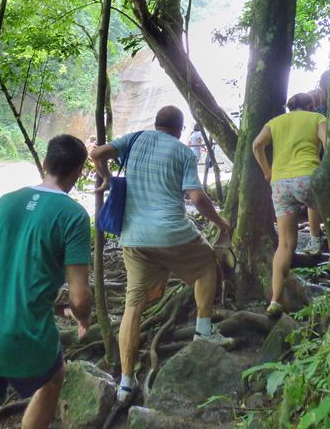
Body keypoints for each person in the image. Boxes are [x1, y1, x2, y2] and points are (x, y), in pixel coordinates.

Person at [90, 106, 232, 406]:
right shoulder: (183, 152)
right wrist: (220, 222)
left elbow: (96, 153)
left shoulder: (134, 139)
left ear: (156, 124)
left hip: (133, 237)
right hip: (171, 233)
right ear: (180, 130)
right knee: (207, 265)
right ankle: (203, 331)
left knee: (133, 306)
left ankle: (126, 383)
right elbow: (196, 196)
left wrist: (106, 179)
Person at [0, 135, 93, 429]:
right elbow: (80, 297)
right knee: (54, 377)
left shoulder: (6, 201)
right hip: (26, 336)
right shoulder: (74, 215)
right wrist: (82, 318)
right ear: (79, 172)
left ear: (45, 163)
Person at [252, 93, 327, 318]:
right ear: (310, 105)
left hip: (280, 183)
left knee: (285, 244)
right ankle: (318, 242)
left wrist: (267, 172)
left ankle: (275, 300)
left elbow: (257, 145)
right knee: (328, 214)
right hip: (308, 177)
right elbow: (327, 142)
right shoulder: (317, 118)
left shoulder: (275, 122)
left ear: (289, 107)